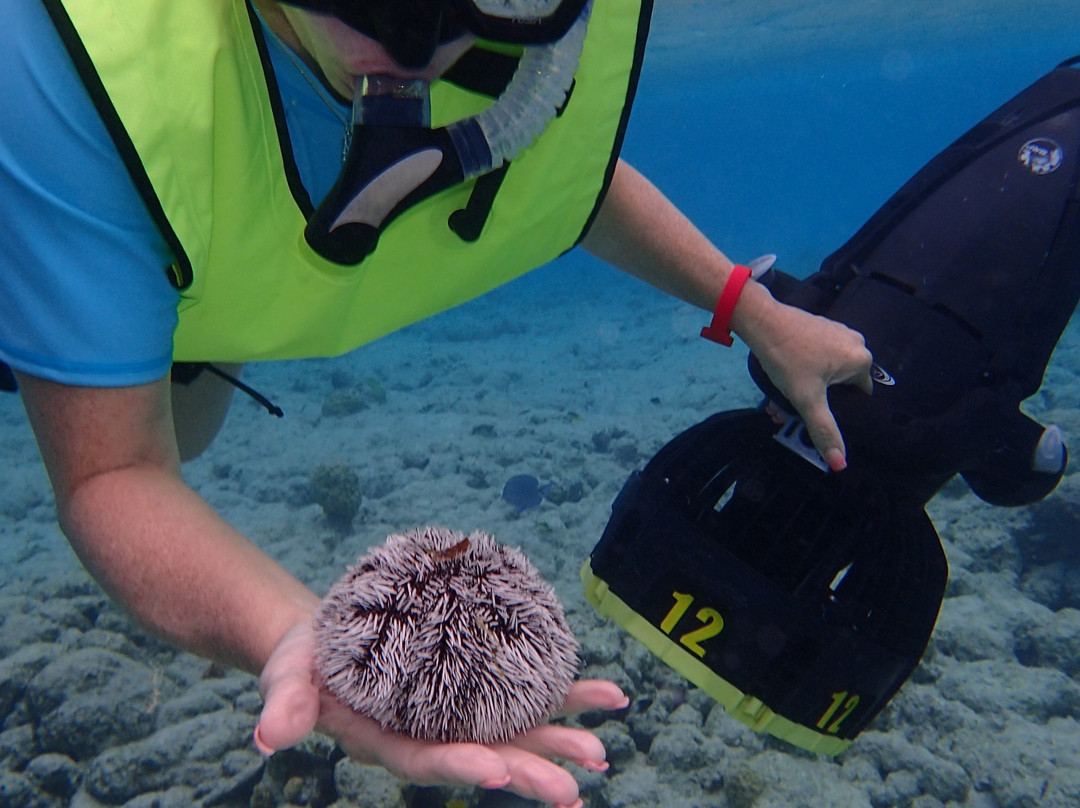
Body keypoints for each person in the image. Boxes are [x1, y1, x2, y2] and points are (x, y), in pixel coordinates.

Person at [1, 1, 872, 806]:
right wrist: (292, 629)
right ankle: (161, 295)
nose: (414, 39)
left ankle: (188, 298)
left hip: (198, 255)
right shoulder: (64, 68)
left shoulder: (521, 52)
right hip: (54, 214)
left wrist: (753, 312)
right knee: (161, 425)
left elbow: (561, 179)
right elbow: (111, 472)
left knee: (185, 423)